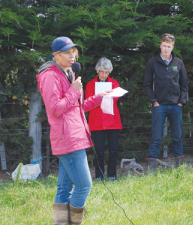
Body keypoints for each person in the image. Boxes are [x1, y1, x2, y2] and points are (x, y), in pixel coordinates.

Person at [36, 36, 111, 225]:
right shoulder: (50, 76)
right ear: (55, 55)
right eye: (67, 53)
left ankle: (61, 223)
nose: (72, 56)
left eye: (73, 52)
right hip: (68, 139)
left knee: (64, 188)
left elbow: (75, 107)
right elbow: (54, 109)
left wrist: (99, 97)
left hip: (74, 135)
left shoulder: (67, 73)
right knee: (84, 185)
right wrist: (74, 90)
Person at [143, 33, 189, 172]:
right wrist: (154, 101)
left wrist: (181, 101)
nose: (166, 49)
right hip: (159, 105)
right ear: (160, 45)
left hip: (176, 105)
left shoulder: (178, 63)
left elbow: (184, 84)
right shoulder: (152, 62)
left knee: (177, 136)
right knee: (156, 137)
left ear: (172, 47)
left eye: (169, 46)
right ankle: (151, 170)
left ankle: (179, 168)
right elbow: (147, 84)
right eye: (164, 46)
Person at [85, 57, 122, 181]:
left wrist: (99, 98)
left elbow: (115, 98)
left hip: (112, 121)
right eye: (102, 72)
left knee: (113, 150)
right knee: (99, 151)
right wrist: (104, 97)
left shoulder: (114, 83)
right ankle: (99, 175)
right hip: (97, 121)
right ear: (97, 71)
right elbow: (89, 101)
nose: (104, 75)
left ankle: (112, 175)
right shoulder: (90, 84)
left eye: (107, 72)